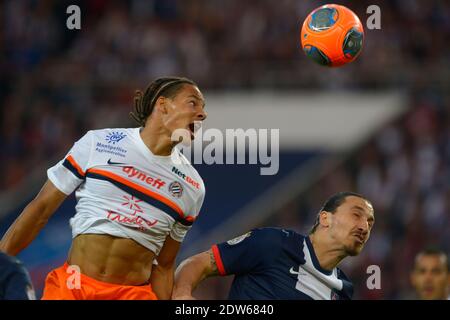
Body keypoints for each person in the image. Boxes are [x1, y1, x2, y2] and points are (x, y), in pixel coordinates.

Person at [0, 76, 207, 300]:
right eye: (193, 103)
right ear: (163, 104)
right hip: (72, 288)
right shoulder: (99, 142)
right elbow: (40, 209)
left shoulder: (191, 186)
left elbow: (165, 266)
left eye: (203, 108)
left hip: (132, 295)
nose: (202, 114)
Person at [173, 191, 374, 300]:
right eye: (356, 215)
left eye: (370, 222)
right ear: (325, 218)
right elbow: (198, 263)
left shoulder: (343, 290)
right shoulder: (274, 244)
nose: (364, 227)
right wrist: (182, 294)